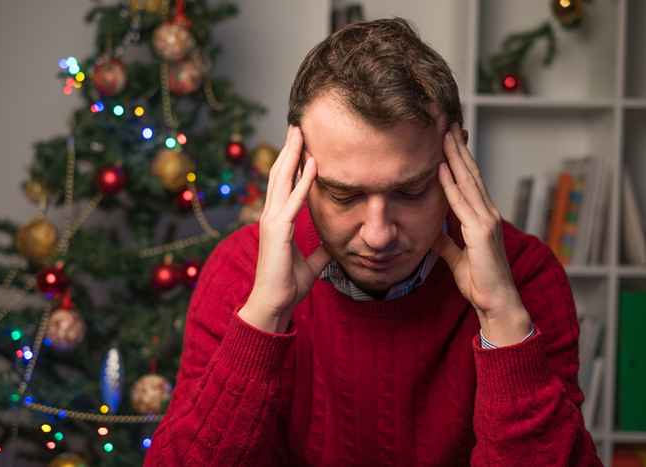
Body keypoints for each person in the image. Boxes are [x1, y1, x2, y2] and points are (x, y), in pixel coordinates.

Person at [144, 17, 603, 466]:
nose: (378, 235)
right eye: (344, 195)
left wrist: (502, 319)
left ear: (457, 154)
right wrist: (264, 317)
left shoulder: (524, 273)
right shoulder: (241, 271)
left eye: (411, 191)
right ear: (296, 167)